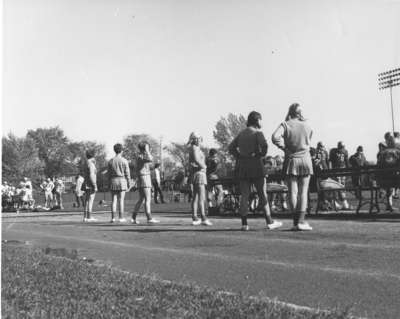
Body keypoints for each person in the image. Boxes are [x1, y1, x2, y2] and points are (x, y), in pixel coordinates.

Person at [229, 111, 282, 231]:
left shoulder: (241, 134)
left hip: (243, 166)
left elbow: (231, 147)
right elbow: (264, 147)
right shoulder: (258, 133)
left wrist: (240, 156)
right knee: (262, 194)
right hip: (257, 166)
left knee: (245, 195)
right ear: (257, 120)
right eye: (261, 119)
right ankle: (269, 221)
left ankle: (244, 224)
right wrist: (260, 154)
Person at [272, 103, 313, 231]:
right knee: (303, 192)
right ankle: (301, 221)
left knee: (293, 192)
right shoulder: (307, 125)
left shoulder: (285, 124)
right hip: (306, 159)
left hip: (292, 160)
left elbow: (274, 137)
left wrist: (284, 148)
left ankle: (296, 222)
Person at [188, 132, 213, 226]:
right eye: (196, 138)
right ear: (193, 139)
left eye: (199, 138)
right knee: (201, 197)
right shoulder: (195, 148)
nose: (198, 140)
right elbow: (196, 159)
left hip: (195, 173)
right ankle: (203, 218)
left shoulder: (193, 148)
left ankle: (195, 217)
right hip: (199, 174)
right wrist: (204, 166)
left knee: (195, 196)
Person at [131, 142, 159, 224]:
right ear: (144, 148)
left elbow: (149, 165)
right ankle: (149, 218)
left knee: (141, 199)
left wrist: (154, 166)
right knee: (147, 199)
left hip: (142, 177)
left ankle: (133, 217)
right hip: (144, 177)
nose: (149, 148)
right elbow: (150, 159)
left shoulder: (140, 156)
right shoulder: (141, 156)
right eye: (147, 147)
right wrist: (148, 151)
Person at [108, 143, 131, 223]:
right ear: (121, 150)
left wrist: (109, 182)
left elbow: (108, 174)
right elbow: (127, 173)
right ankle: (121, 217)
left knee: (113, 200)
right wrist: (129, 183)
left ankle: (113, 218)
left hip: (113, 180)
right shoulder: (124, 160)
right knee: (121, 200)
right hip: (122, 180)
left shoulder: (110, 161)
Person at [377, 136, 400, 212]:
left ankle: (389, 204)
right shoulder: (397, 152)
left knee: (389, 186)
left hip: (383, 180)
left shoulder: (382, 153)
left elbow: (379, 165)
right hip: (395, 179)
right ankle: (390, 204)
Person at [329, 141, 350, 210]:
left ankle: (342, 203)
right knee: (338, 187)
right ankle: (340, 203)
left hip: (341, 170)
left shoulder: (343, 151)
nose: (342, 149)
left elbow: (347, 162)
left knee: (341, 187)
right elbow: (330, 161)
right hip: (337, 170)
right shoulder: (334, 151)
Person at [206, 148, 223, 213]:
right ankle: (219, 204)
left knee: (209, 190)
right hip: (214, 176)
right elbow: (217, 167)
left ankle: (210, 206)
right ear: (214, 154)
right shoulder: (215, 160)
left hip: (208, 176)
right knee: (220, 190)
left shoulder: (206, 159)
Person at [82, 149, 98, 222]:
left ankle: (85, 217)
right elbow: (91, 175)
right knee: (90, 200)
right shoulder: (91, 164)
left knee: (87, 200)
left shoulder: (86, 163)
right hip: (90, 184)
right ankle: (89, 217)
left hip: (86, 183)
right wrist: (95, 185)